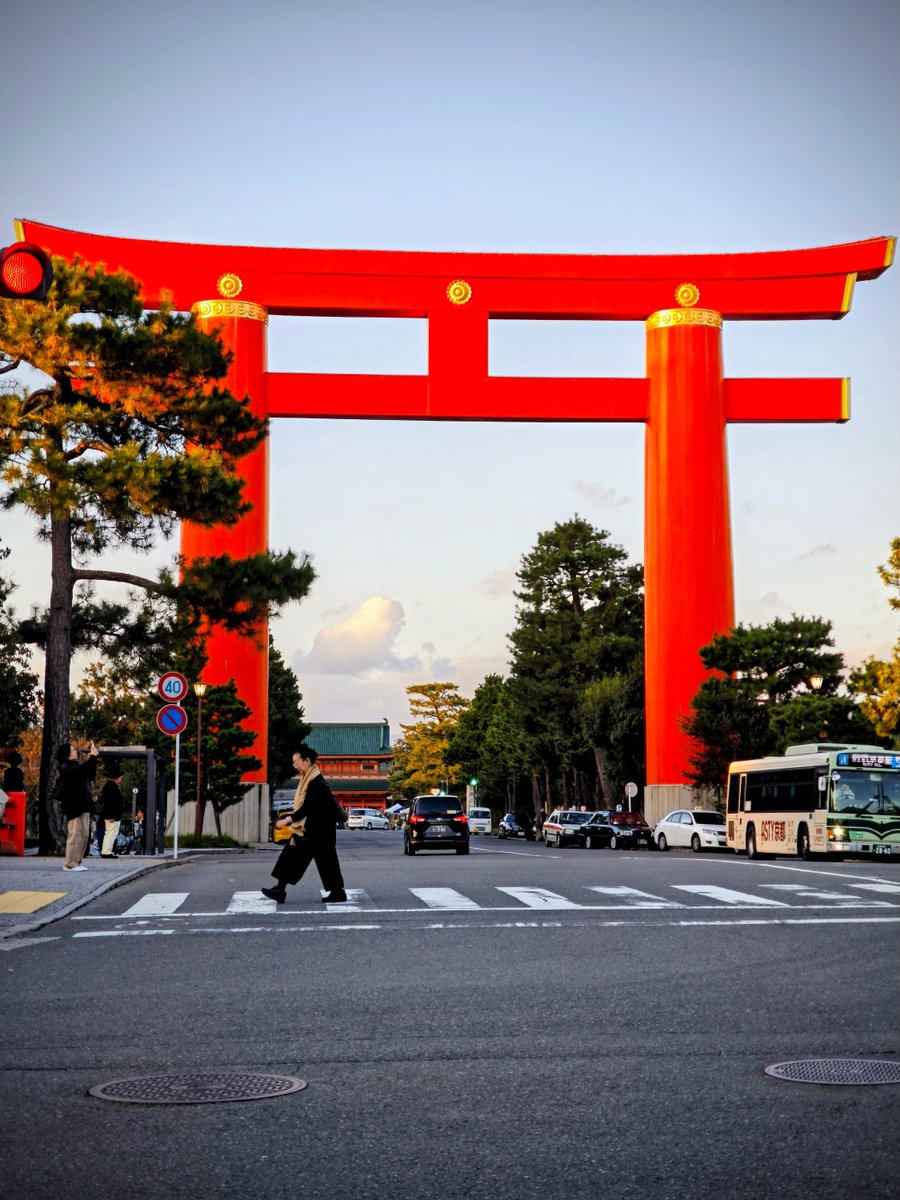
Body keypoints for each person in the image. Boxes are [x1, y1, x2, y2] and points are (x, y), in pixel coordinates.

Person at [261, 744, 347, 904]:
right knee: (316, 860)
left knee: (312, 859)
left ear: (306, 761)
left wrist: (287, 820)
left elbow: (307, 807)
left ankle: (281, 889)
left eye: (296, 762)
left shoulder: (315, 783)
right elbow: (306, 807)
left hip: (318, 832)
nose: (295, 766)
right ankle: (281, 889)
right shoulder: (312, 780)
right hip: (317, 831)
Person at [57, 740, 99, 871]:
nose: (75, 751)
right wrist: (92, 757)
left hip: (84, 804)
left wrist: (93, 760)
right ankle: (70, 864)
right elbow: (82, 770)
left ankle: (77, 861)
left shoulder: (75, 766)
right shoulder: (66, 767)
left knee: (84, 834)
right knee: (76, 834)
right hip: (75, 806)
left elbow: (90, 775)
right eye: (72, 750)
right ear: (66, 754)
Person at [98, 762, 125, 858]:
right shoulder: (112, 788)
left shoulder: (108, 787)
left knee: (109, 833)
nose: (121, 780)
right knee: (111, 833)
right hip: (112, 815)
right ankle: (107, 852)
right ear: (116, 778)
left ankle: (106, 851)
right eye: (120, 778)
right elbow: (112, 803)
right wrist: (112, 815)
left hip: (110, 814)